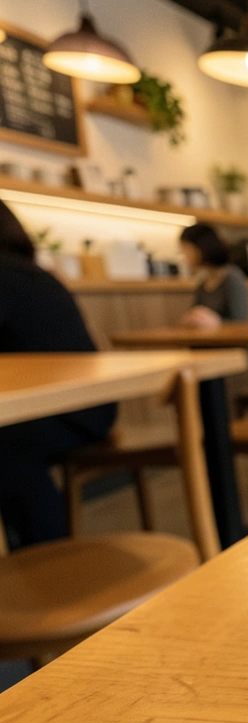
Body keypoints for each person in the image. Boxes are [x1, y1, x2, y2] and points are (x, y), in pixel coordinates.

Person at [0, 203, 116, 549]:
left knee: (6, 447)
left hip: (66, 412)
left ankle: (50, 560)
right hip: (91, 405)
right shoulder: (39, 275)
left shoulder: (7, 278)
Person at [180, 223, 248, 329]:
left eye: (186, 249)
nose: (184, 255)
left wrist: (217, 322)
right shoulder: (203, 283)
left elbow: (242, 322)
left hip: (229, 344)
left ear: (201, 247)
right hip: (204, 342)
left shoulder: (232, 278)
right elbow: (194, 313)